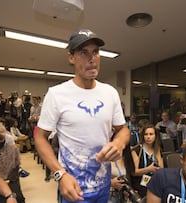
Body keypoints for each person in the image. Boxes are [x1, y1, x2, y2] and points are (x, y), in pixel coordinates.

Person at [34, 29, 130, 203]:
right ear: (71, 57)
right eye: (84, 53)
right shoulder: (57, 94)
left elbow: (123, 130)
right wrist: (59, 174)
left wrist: (118, 142)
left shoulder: (110, 93)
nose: (92, 59)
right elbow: (40, 137)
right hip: (73, 190)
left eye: (95, 52)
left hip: (104, 188)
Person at [0, 121, 25, 203]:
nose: (0, 134)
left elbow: (16, 166)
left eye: (2, 131)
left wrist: (9, 180)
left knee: (19, 198)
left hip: (11, 180)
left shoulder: (12, 148)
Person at [131, 123, 163, 198]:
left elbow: (162, 169)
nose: (148, 137)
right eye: (146, 134)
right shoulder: (136, 150)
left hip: (154, 183)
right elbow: (134, 172)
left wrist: (157, 169)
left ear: (155, 136)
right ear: (143, 136)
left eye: (151, 134)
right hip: (140, 184)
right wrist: (148, 169)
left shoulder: (157, 150)